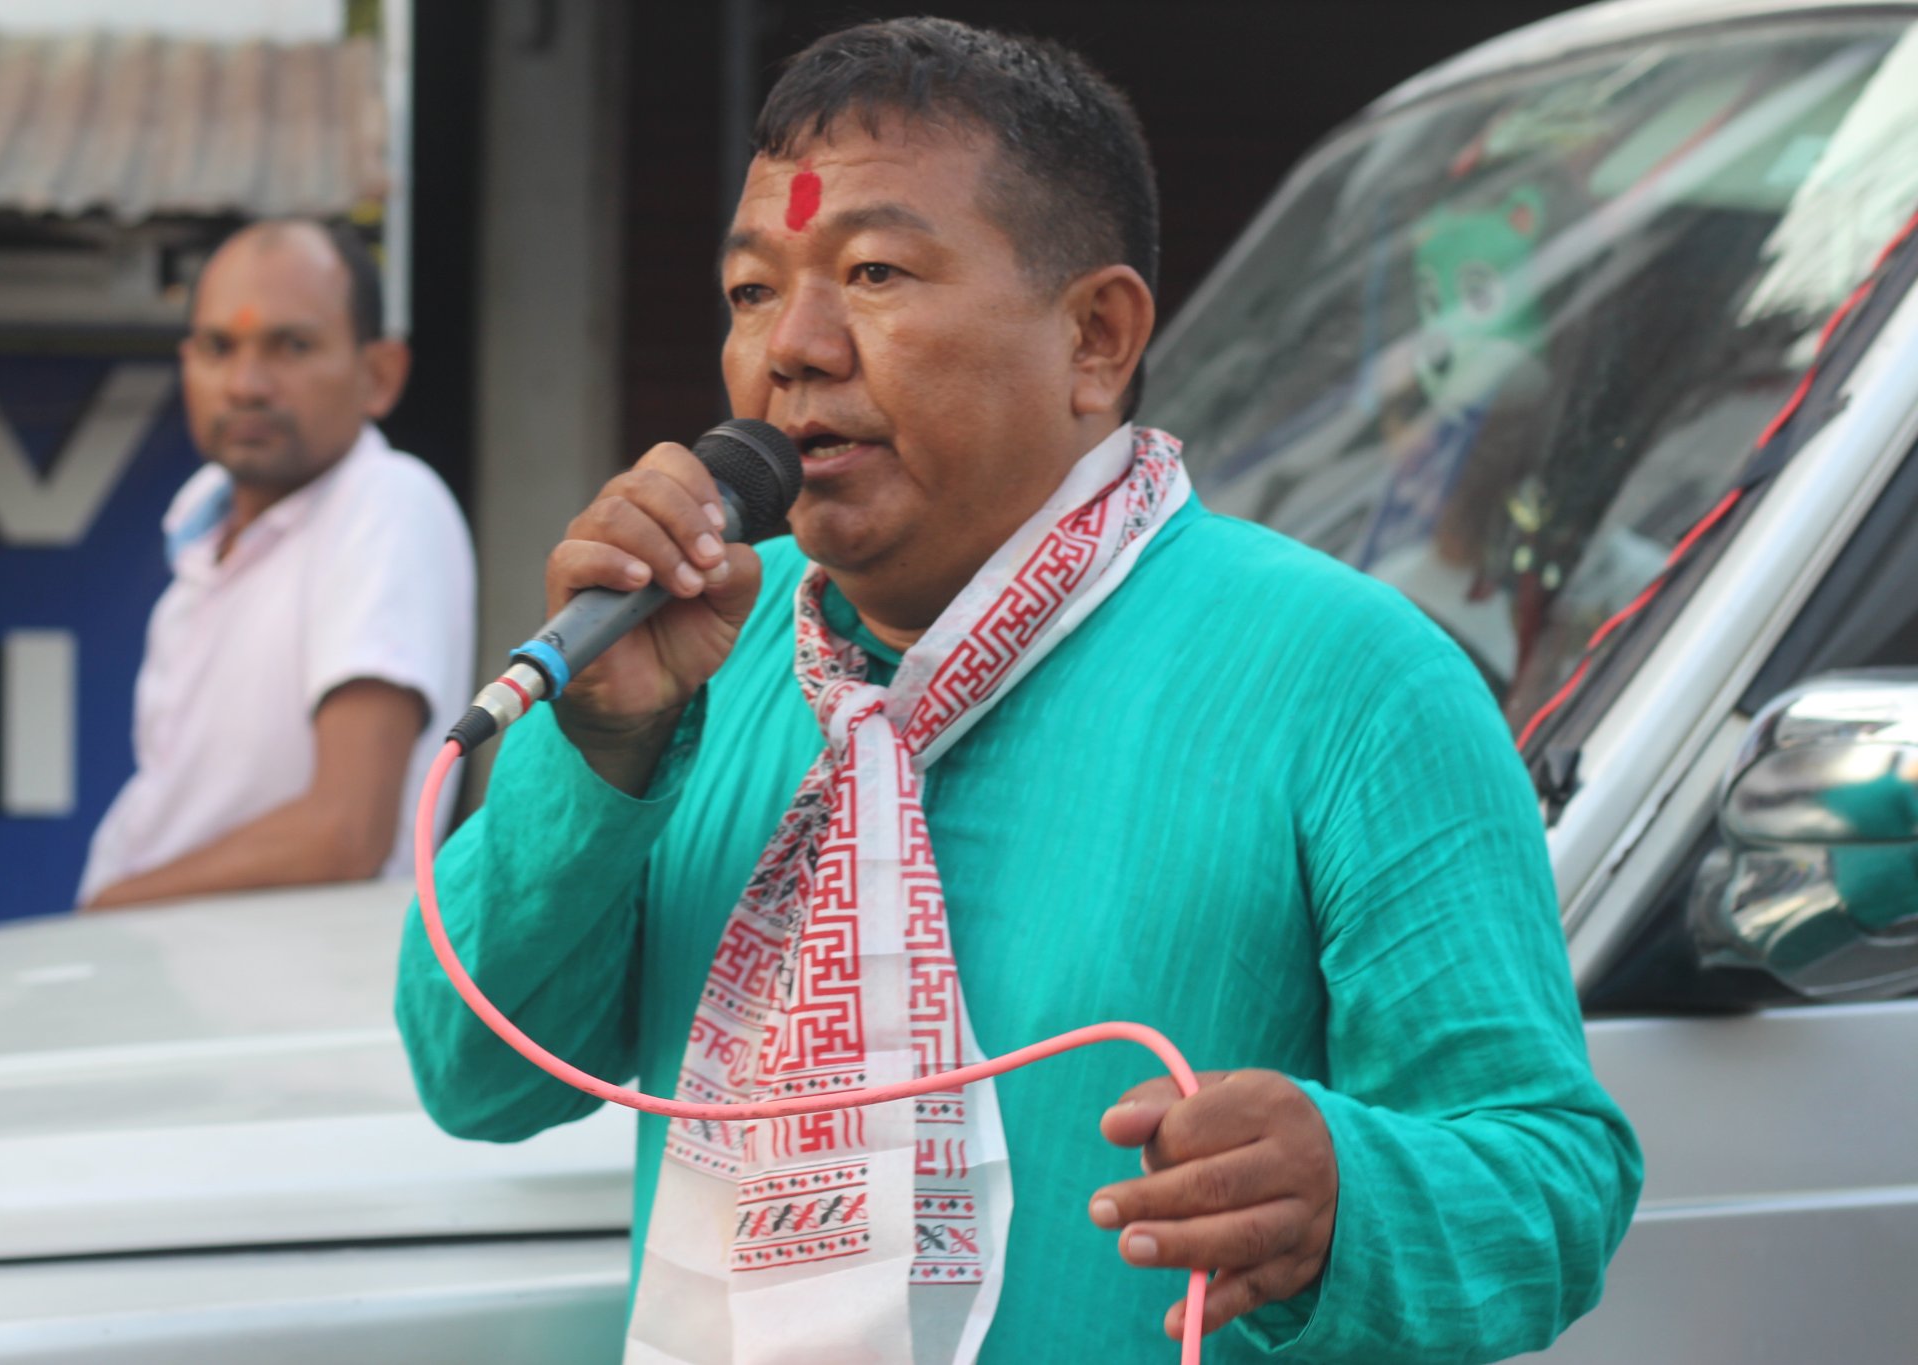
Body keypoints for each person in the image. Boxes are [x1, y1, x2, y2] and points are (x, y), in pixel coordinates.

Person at [396, 18, 1640, 1363]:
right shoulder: (699, 647)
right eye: (751, 291)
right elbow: (476, 1080)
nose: (789, 348)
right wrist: (604, 744)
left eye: (874, 272)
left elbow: (1552, 1185)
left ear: (1097, 338)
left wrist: (1344, 1198)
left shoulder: (1351, 679)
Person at [80, 219, 474, 910]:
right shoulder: (201, 534)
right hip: (170, 962)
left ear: (380, 375)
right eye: (218, 347)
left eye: (291, 346)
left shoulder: (385, 500)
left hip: (269, 975)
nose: (246, 385)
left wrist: (112, 908)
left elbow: (346, 834)